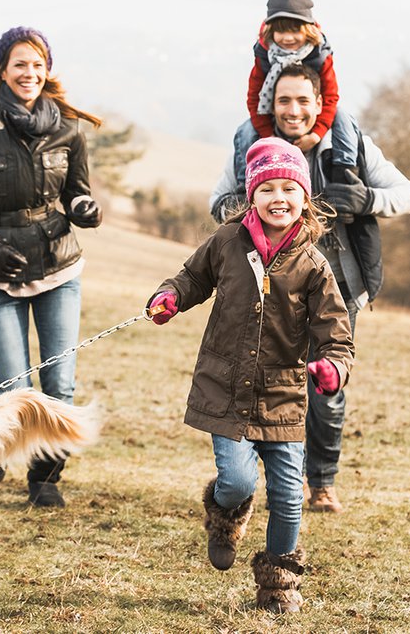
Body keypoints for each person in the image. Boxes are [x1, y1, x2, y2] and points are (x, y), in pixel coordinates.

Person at [147, 139, 354, 613]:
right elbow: (191, 278)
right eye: (268, 188)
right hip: (225, 391)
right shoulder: (226, 242)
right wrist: (170, 298)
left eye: (289, 188)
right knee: (238, 482)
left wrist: (331, 368)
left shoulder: (314, 267)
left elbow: (337, 337)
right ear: (251, 195)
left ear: (304, 198)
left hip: (283, 397)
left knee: (287, 495)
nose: (278, 197)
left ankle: (278, 586)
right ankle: (224, 517)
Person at [211, 63, 410, 514]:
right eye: (284, 100)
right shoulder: (251, 146)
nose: (293, 110)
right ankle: (284, 483)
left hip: (338, 286)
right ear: (271, 104)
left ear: (321, 104)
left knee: (327, 386)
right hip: (270, 287)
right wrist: (248, 207)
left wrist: (366, 200)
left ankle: (322, 482)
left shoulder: (350, 146)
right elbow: (218, 203)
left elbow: (407, 195)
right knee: (272, 384)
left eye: (304, 100)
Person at [0, 26, 103, 509]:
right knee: (18, 388)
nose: (29, 72)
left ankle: (44, 478)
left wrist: (83, 207)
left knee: (59, 384)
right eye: (19, 64)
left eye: (37, 64)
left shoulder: (69, 127)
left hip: (58, 268)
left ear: (46, 69)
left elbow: (77, 190)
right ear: (3, 71)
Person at [233, 0, 359, 192]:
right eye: (281, 31)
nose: (288, 38)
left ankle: (345, 174)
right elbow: (254, 98)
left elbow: (330, 97)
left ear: (308, 29)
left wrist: (316, 134)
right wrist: (267, 135)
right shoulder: (265, 56)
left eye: (295, 30)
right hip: (274, 116)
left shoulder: (320, 55)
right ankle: (244, 184)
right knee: (245, 130)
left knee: (344, 120)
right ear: (270, 31)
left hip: (315, 116)